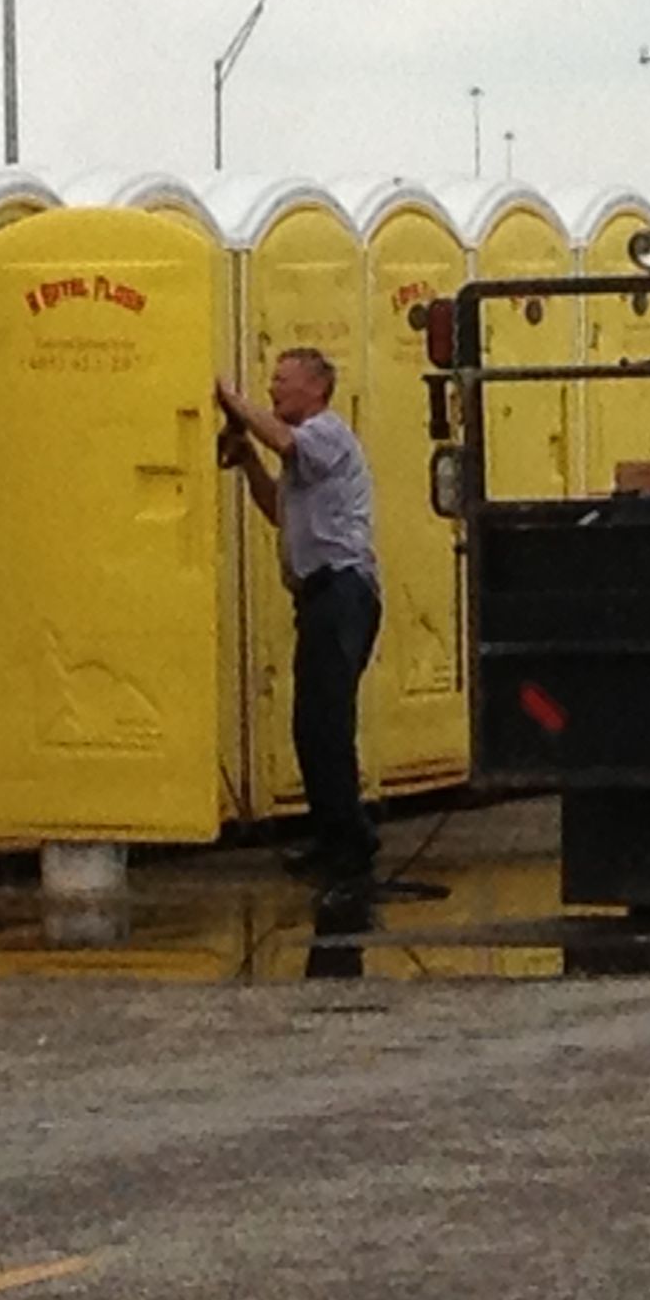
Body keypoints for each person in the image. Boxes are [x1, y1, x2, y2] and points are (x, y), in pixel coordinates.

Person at [215, 349, 382, 901]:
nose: (273, 389)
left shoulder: (326, 434)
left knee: (328, 723)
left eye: (282, 381)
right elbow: (278, 513)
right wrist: (247, 463)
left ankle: (351, 848)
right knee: (311, 726)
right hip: (317, 595)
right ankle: (332, 835)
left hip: (342, 591)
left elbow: (283, 440)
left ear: (315, 388)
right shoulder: (299, 459)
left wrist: (234, 403)